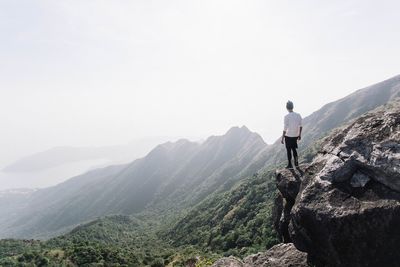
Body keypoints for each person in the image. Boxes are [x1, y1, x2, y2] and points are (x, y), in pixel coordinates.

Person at [281, 101, 302, 169]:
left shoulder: (286, 116)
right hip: (295, 135)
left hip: (288, 135)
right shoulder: (298, 115)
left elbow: (285, 128)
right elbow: (301, 126)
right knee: (294, 149)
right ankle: (296, 163)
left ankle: (290, 165)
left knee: (288, 150)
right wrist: (299, 134)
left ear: (287, 108)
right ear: (292, 107)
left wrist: (282, 138)